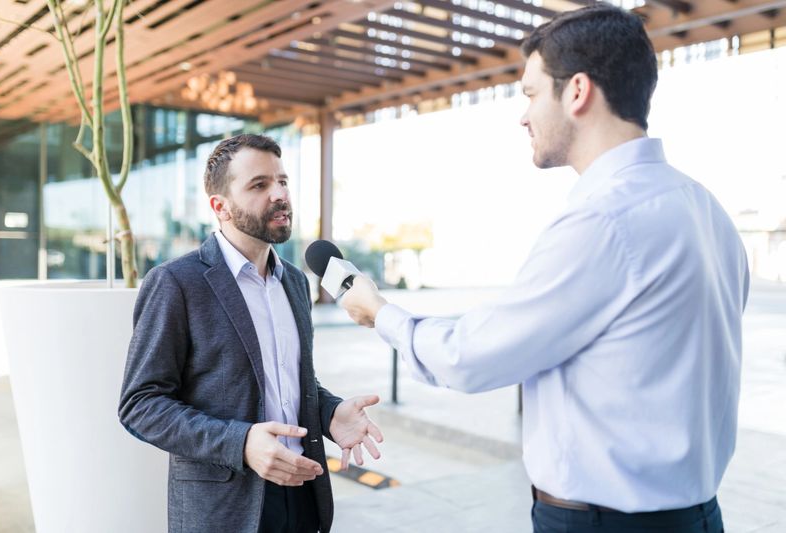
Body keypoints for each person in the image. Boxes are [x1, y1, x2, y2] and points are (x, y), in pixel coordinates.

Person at [340, 4, 748, 533]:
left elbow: (472, 356)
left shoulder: (604, 219)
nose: (523, 114)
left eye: (531, 93)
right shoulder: (706, 209)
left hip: (607, 523)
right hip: (697, 515)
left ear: (577, 91)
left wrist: (379, 312)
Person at [119, 133, 383, 533]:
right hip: (225, 507)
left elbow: (287, 380)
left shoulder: (294, 281)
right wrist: (239, 443)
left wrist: (329, 413)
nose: (279, 194)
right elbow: (141, 404)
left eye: (282, 181)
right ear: (219, 206)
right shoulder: (176, 282)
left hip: (303, 491)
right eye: (259, 185)